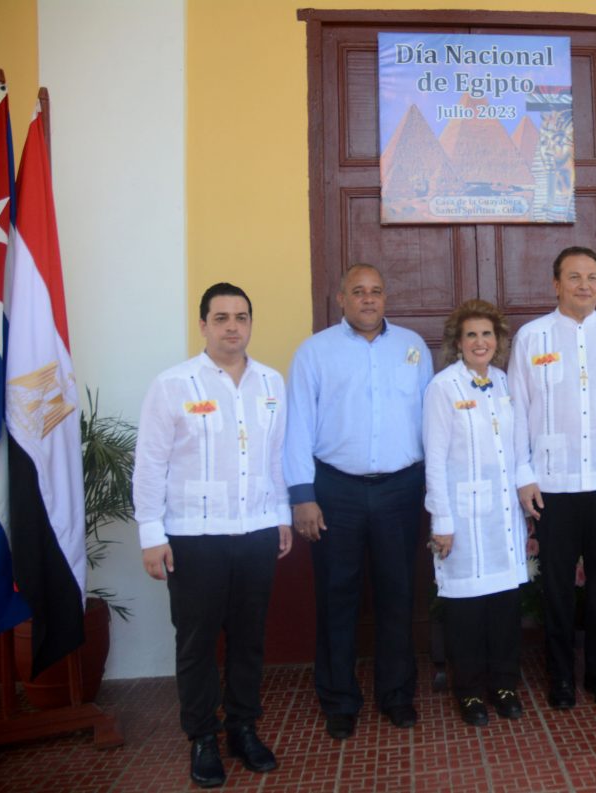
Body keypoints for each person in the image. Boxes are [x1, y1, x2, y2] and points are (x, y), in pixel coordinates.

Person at [133, 282, 292, 788]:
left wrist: (282, 515)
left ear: (250, 323)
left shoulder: (271, 383)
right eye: (220, 317)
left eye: (240, 317)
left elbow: (276, 457)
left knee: (249, 639)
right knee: (198, 642)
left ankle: (243, 728)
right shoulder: (174, 384)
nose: (232, 327)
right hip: (194, 536)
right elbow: (150, 463)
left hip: (256, 531)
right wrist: (150, 533)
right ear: (202, 324)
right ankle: (202, 737)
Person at [283, 263, 433, 739]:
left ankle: (396, 695)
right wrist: (303, 497)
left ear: (386, 298)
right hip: (336, 491)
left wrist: (434, 490)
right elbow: (297, 427)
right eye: (358, 292)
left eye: (376, 292)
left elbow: (430, 421)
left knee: (397, 594)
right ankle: (339, 700)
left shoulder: (413, 347)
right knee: (337, 596)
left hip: (400, 489)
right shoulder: (314, 352)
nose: (368, 300)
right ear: (341, 298)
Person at [508, 246, 596, 710]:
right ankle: (561, 677)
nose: (584, 285)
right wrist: (524, 475)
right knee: (557, 590)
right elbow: (516, 412)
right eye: (574, 277)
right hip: (553, 487)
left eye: (592, 276)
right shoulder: (533, 337)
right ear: (555, 284)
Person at [423, 300, 528, 726]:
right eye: (471, 335)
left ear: (498, 341)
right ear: (457, 343)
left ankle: (504, 684)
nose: (480, 342)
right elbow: (434, 459)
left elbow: (519, 445)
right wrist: (441, 521)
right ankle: (468, 691)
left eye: (487, 334)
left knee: (504, 605)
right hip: (462, 517)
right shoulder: (443, 387)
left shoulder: (505, 383)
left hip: (503, 514)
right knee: (465, 608)